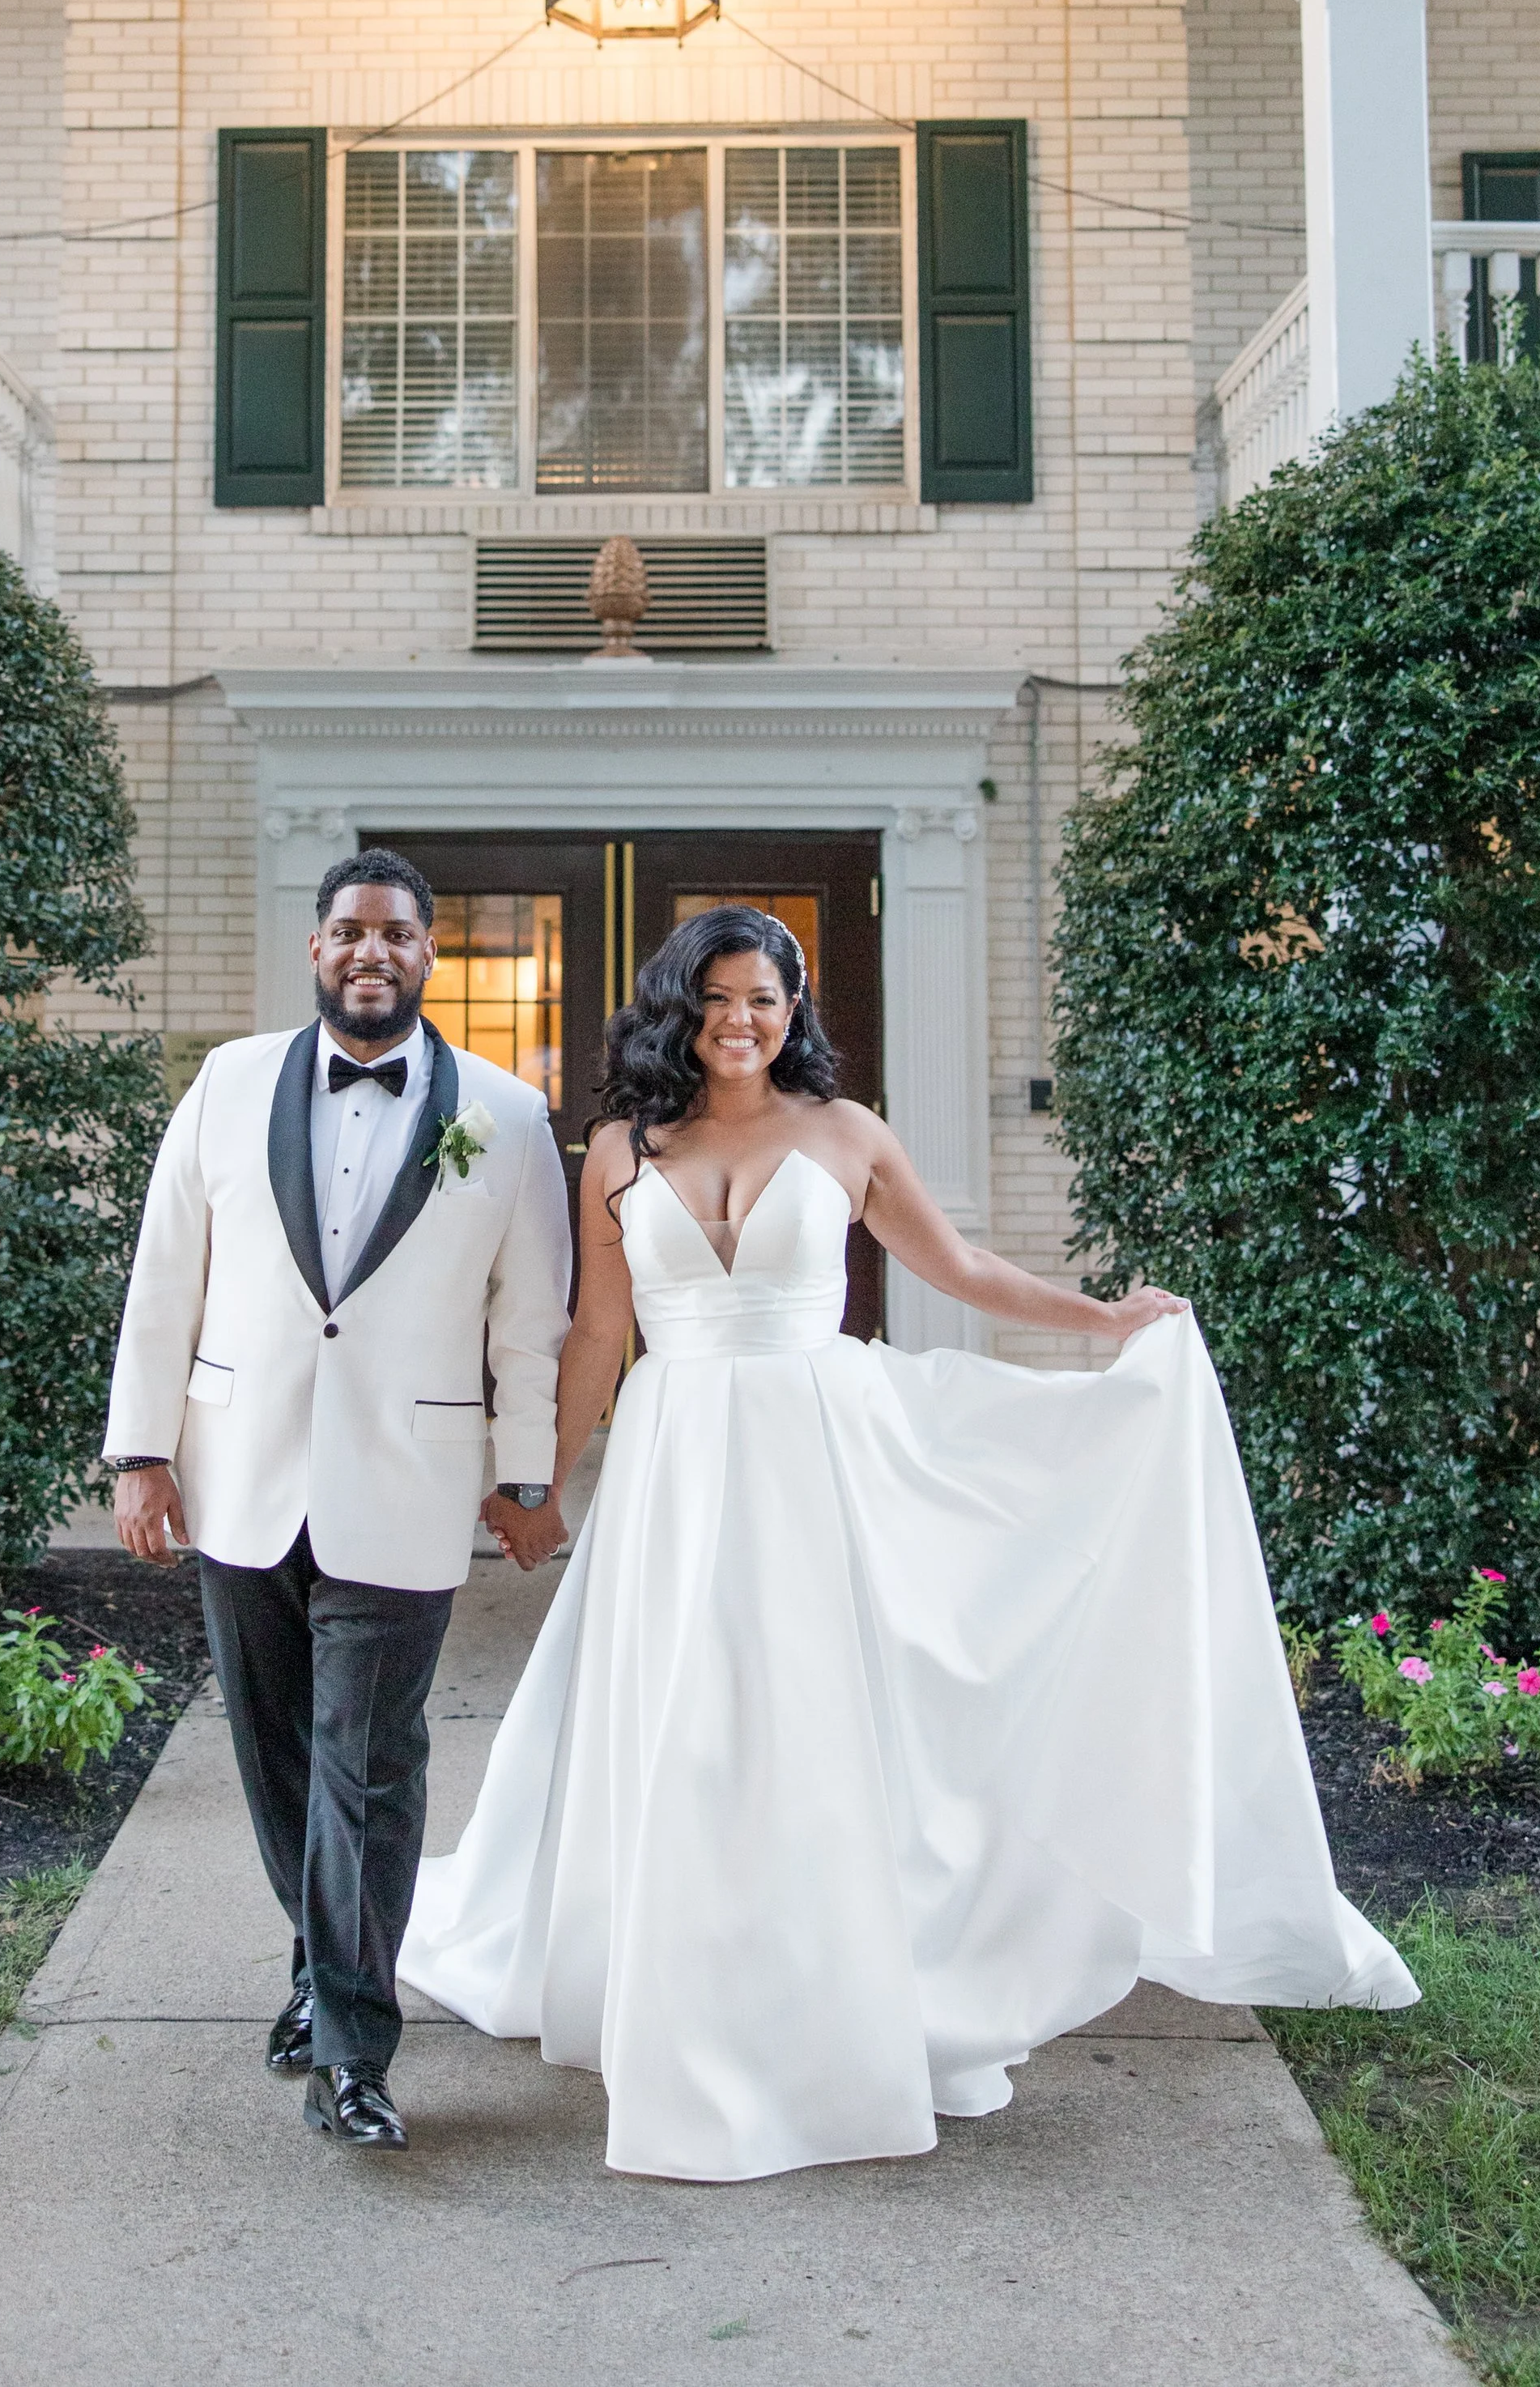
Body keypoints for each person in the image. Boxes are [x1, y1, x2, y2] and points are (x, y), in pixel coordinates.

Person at [401, 902, 1414, 2183]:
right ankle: (672, 1957)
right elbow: (600, 1333)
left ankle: (827, 1966)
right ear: (680, 1006)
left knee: (805, 1710)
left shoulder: (846, 1133)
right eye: (716, 998)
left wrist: (1106, 1318)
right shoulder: (619, 1145)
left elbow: (963, 1267)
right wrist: (538, 1482)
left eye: (763, 998)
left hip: (809, 1453)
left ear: (794, 1007)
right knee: (682, 1712)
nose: (740, 1020)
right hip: (670, 1463)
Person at [104, 846, 572, 2152]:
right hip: (239, 1472)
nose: (374, 952)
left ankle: (356, 2055)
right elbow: (165, 1275)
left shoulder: (508, 1114)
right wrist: (143, 1453)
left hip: (406, 1481)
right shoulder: (226, 1083)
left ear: (431, 956)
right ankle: (321, 1961)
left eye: (400, 935)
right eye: (352, 932)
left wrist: (523, 1474)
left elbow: (531, 1321)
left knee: (364, 1761)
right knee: (277, 1755)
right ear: (317, 949)